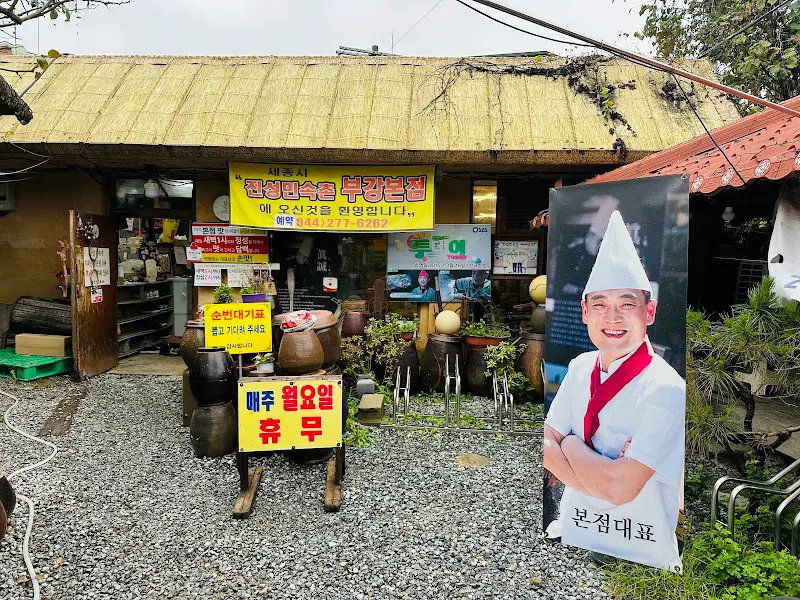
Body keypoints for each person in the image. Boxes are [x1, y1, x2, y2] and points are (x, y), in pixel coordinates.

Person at [543, 210, 685, 571]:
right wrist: (601, 473)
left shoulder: (666, 387)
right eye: (600, 306)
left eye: (627, 305)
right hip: (578, 525)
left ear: (649, 312)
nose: (613, 317)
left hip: (640, 540)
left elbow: (622, 490)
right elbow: (545, 445)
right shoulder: (580, 367)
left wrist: (571, 445)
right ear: (584, 312)